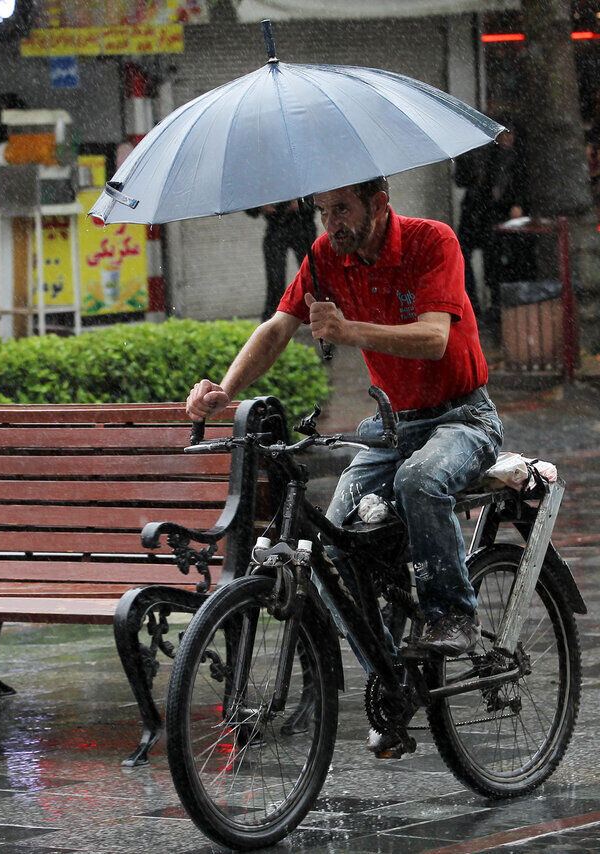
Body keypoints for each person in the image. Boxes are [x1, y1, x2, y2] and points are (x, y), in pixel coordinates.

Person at [186, 177, 503, 666]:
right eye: (322, 211)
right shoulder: (323, 257)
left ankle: (454, 615)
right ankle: (386, 670)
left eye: (341, 209)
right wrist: (225, 391)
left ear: (378, 204)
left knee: (419, 481)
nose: (330, 223)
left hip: (461, 417)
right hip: (394, 426)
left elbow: (435, 337)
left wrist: (348, 330)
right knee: (334, 545)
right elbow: (276, 329)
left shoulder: (432, 240)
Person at [453, 124, 524, 320]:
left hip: (489, 212)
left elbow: (506, 181)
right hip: (478, 211)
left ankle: (488, 303)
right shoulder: (477, 152)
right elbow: (461, 179)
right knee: (470, 255)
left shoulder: (500, 155)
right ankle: (476, 303)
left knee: (490, 257)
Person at [246, 199, 316, 318]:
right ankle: (273, 315)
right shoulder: (263, 182)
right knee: (275, 278)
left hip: (303, 226)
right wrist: (262, 206)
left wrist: (302, 203)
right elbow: (249, 208)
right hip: (275, 227)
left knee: (312, 274)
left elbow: (319, 200)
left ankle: (318, 307)